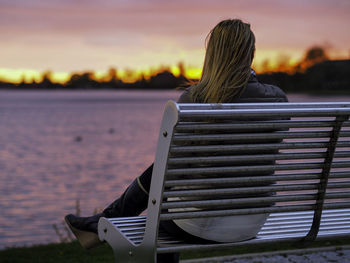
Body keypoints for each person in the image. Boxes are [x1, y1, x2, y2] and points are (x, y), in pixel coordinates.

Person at [65, 19, 288, 261]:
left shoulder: (196, 99)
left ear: (212, 54)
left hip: (203, 224)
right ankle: (107, 217)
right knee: (163, 192)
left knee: (160, 199)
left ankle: (106, 218)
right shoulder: (277, 99)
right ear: (251, 53)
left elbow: (171, 169)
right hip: (254, 220)